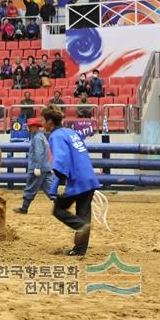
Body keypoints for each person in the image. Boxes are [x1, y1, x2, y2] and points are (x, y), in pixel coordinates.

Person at [42, 104, 101, 256]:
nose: (42, 123)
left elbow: (61, 160)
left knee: (58, 210)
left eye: (44, 120)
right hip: (88, 178)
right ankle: (80, 250)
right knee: (83, 214)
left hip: (75, 180)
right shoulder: (71, 132)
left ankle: (80, 226)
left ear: (50, 121)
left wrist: (58, 185)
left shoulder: (56, 136)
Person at [13, 118, 53, 214]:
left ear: (35, 127)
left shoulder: (37, 138)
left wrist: (37, 167)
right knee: (51, 189)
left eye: (30, 126)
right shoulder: (41, 136)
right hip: (46, 167)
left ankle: (24, 208)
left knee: (30, 187)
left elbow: (38, 153)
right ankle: (61, 206)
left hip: (38, 168)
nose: (28, 128)